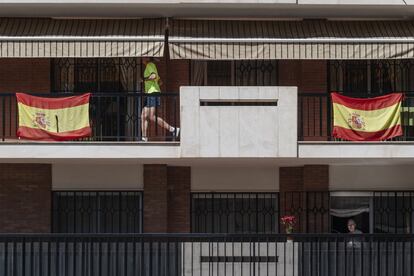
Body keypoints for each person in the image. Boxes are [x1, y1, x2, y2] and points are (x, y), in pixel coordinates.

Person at [141, 57, 180, 142]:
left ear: (147, 58)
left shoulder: (150, 65)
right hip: (150, 93)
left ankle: (172, 129)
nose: (141, 58)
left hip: (152, 93)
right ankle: (144, 138)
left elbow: (154, 76)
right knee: (144, 115)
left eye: (143, 57)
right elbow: (160, 81)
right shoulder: (151, 66)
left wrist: (144, 80)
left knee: (151, 116)